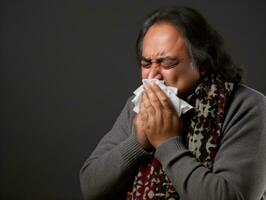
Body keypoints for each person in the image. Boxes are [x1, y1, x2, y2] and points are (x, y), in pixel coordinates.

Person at [80, 7, 266, 200]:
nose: (152, 76)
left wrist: (167, 143)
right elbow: (90, 187)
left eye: (167, 64)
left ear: (202, 63)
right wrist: (138, 142)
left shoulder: (246, 106)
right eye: (146, 64)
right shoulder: (140, 106)